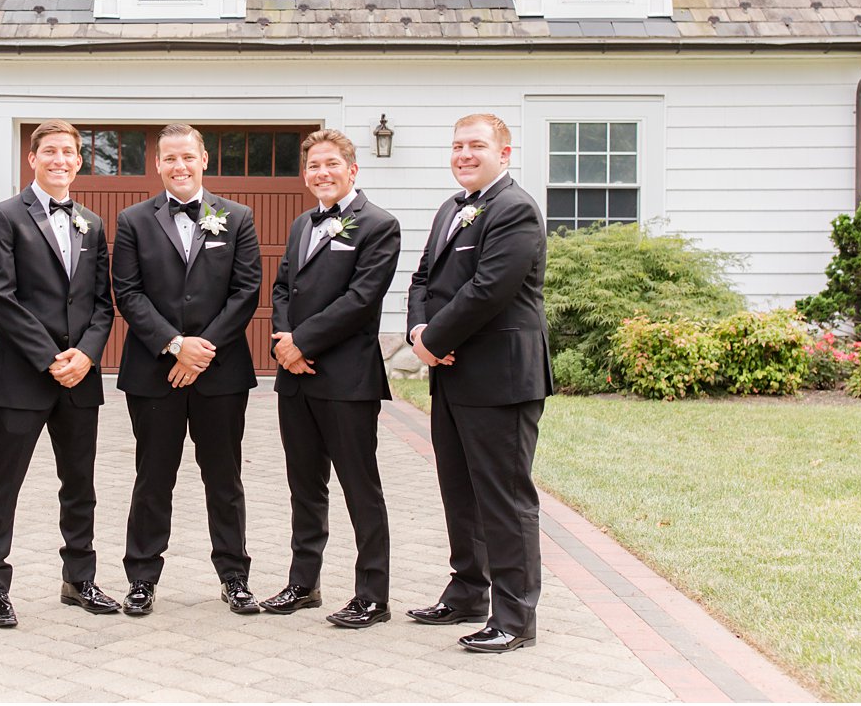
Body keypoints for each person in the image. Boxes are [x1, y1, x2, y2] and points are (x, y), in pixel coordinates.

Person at [406, 112, 554, 654]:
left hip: (501, 377)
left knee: (505, 497)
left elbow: (489, 290)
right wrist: (419, 330)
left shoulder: (514, 210)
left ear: (504, 154)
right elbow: (423, 277)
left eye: (476, 146)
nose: (464, 155)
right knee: (459, 490)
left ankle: (514, 617)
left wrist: (433, 340)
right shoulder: (451, 208)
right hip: (451, 374)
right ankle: (468, 590)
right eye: (457, 146)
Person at [111, 124, 263, 616]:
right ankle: (141, 577)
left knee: (224, 478)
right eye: (169, 158)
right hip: (154, 372)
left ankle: (235, 576)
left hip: (221, 373)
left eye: (188, 157)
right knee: (153, 477)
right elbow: (127, 292)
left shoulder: (236, 217)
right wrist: (175, 346)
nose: (179, 166)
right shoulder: (133, 220)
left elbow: (247, 291)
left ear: (203, 160)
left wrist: (203, 349)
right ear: (158, 164)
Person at [0, 119, 118, 627]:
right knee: (4, 481)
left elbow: (104, 303)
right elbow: (1, 296)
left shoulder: (93, 223)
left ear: (79, 162)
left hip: (81, 375)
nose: (60, 160)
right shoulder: (4, 217)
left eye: (69, 153)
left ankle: (79, 579)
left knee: (80, 482)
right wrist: (51, 356)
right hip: (24, 374)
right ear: (32, 159)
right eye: (50, 151)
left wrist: (85, 355)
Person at [263, 128, 401, 628]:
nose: (321, 173)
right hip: (296, 379)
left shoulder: (379, 225)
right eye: (313, 166)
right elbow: (282, 287)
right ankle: (304, 583)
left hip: (346, 380)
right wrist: (284, 342)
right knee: (305, 485)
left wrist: (304, 342)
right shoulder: (302, 224)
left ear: (352, 168)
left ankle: (373, 595)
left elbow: (361, 299)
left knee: (360, 488)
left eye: (330, 164)